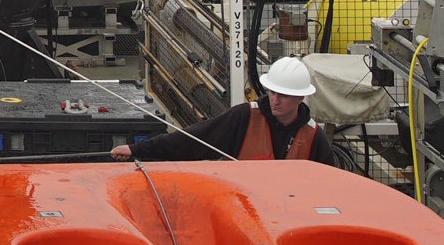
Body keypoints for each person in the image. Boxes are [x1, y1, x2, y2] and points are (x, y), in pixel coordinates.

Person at [109, 57, 341, 166]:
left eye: (283, 95)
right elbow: (194, 139)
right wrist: (136, 149)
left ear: (300, 98)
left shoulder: (313, 138)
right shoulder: (245, 118)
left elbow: (329, 187)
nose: (275, 100)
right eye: (272, 92)